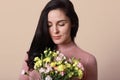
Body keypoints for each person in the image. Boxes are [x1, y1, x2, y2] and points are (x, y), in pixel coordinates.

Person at [19, 0, 97, 80]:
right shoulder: (34, 52)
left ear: (73, 22)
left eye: (61, 24)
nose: (55, 30)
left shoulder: (88, 60)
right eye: (49, 25)